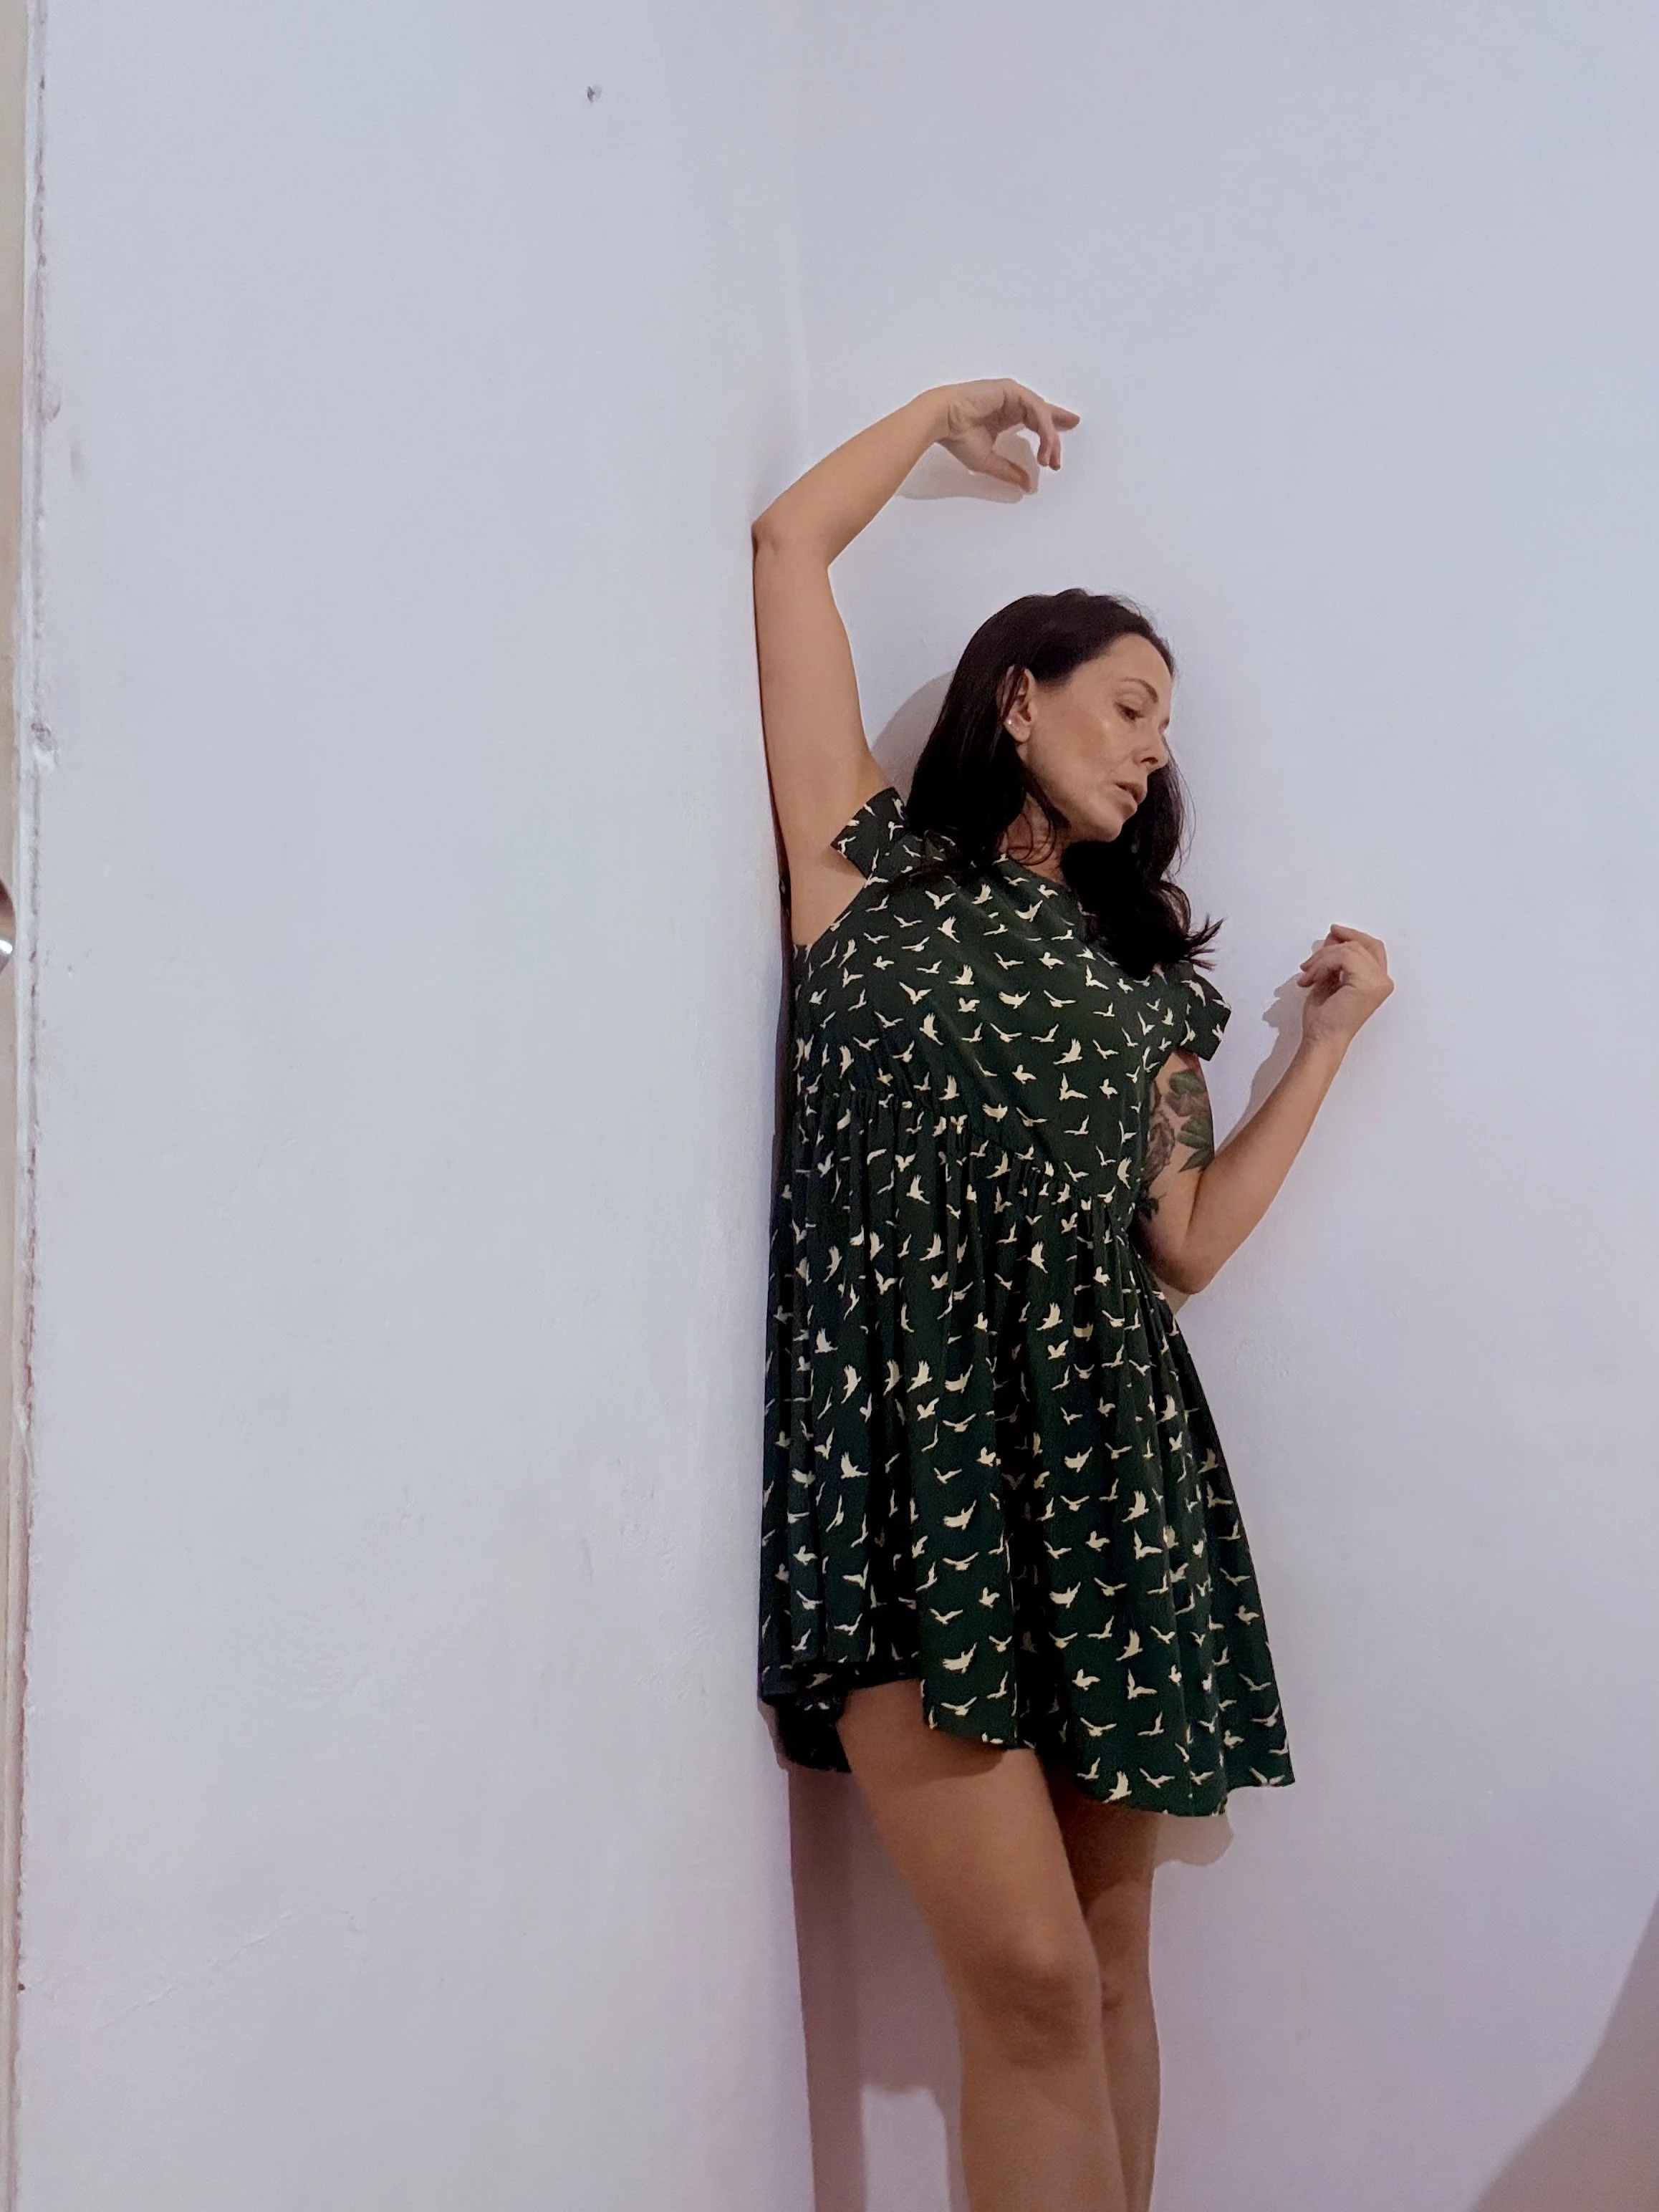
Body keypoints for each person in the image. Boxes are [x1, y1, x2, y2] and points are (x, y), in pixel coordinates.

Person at [751, 379, 1393, 2212]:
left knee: (1107, 1971)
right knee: (1026, 1978)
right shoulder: (859, 873)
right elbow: (790, 545)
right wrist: (943, 411)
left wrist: (1323, 1047)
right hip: (913, 1478)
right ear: (1015, 694)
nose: (1151, 750)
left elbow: (1181, 1241)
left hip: (1115, 1481)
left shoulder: (1142, 995)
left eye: (1167, 730)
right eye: (1129, 704)